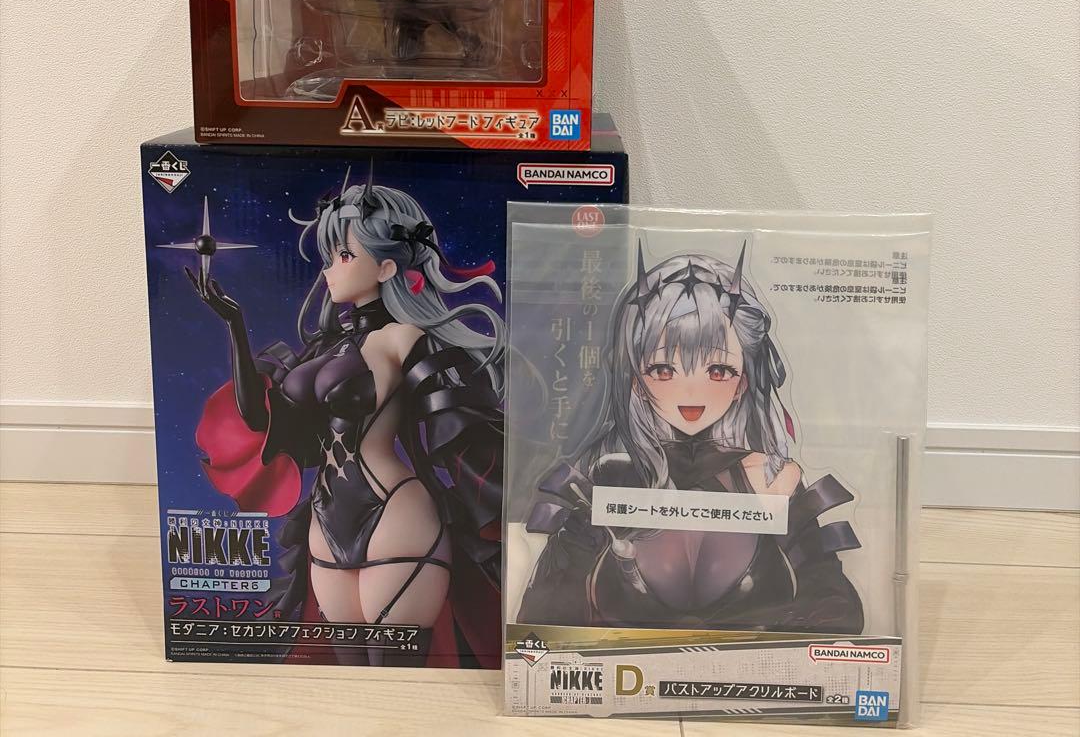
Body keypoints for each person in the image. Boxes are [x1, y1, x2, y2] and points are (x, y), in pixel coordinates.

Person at [189, 168, 504, 665]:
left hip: (395, 509)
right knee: (349, 671)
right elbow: (262, 418)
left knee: (393, 668)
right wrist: (235, 325)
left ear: (386, 267)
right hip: (325, 521)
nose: (328, 270)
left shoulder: (403, 337)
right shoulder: (323, 348)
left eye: (344, 255)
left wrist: (513, 488)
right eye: (328, 256)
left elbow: (457, 421)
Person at [517, 243, 864, 634]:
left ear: (742, 382)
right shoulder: (610, 479)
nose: (691, 392)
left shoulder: (772, 480)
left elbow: (835, 608)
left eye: (717, 370)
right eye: (664, 370)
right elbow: (542, 619)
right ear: (637, 382)